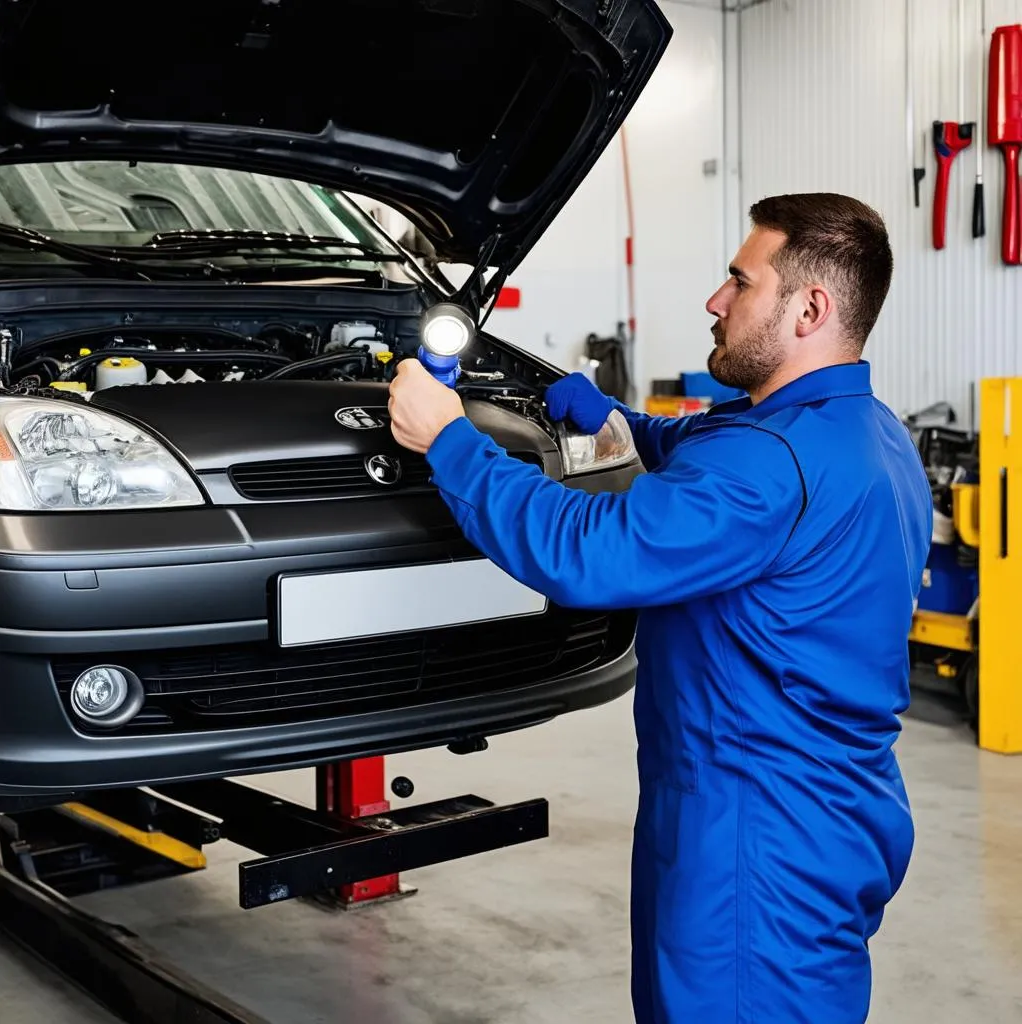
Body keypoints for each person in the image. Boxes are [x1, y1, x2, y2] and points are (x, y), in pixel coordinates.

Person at [388, 193, 933, 1024]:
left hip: (754, 834)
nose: (716, 301)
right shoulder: (864, 433)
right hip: (827, 809)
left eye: (740, 282)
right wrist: (614, 421)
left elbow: (582, 549)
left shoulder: (767, 465)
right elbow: (700, 452)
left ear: (811, 308)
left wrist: (450, 439)